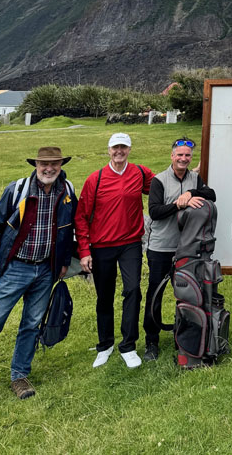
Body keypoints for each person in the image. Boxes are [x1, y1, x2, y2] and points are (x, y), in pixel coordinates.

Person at [0, 147, 77, 399]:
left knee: (31, 325)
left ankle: (20, 377)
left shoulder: (67, 191)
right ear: (35, 165)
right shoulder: (18, 190)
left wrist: (64, 261)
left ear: (60, 164)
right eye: (43, 164)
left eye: (54, 164)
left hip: (46, 270)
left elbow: (68, 230)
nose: (49, 169)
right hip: (16, 267)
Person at [75, 133, 154, 369]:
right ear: (109, 150)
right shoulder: (95, 179)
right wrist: (84, 251)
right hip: (101, 246)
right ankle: (105, 344)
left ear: (129, 150)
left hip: (130, 243)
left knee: (132, 291)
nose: (119, 151)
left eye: (124, 147)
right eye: (115, 147)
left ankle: (128, 345)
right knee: (105, 296)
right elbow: (81, 217)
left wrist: (194, 171)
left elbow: (164, 186)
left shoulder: (140, 173)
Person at [143, 137, 215, 361]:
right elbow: (154, 211)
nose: (183, 159)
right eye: (180, 155)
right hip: (161, 247)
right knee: (155, 293)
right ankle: (151, 342)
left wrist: (192, 193)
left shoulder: (195, 178)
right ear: (172, 157)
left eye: (187, 156)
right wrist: (178, 203)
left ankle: (183, 336)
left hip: (186, 248)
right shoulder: (159, 180)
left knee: (187, 293)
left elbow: (211, 195)